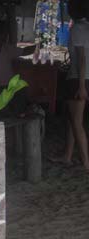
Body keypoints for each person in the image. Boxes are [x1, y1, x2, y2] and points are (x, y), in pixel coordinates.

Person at [51, 0, 89, 171]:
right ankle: (67, 156)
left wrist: (81, 86)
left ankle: (86, 162)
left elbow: (81, 59)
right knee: (72, 120)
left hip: (78, 78)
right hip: (83, 77)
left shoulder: (77, 29)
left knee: (76, 122)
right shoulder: (86, 27)